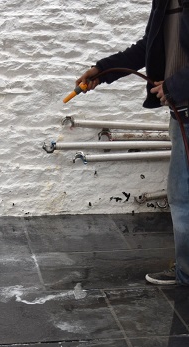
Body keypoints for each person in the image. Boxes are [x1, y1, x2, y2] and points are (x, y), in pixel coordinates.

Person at [75, 0, 189, 285]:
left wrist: (175, 86)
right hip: (182, 112)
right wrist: (103, 70)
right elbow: (147, 46)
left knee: (183, 197)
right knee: (183, 196)